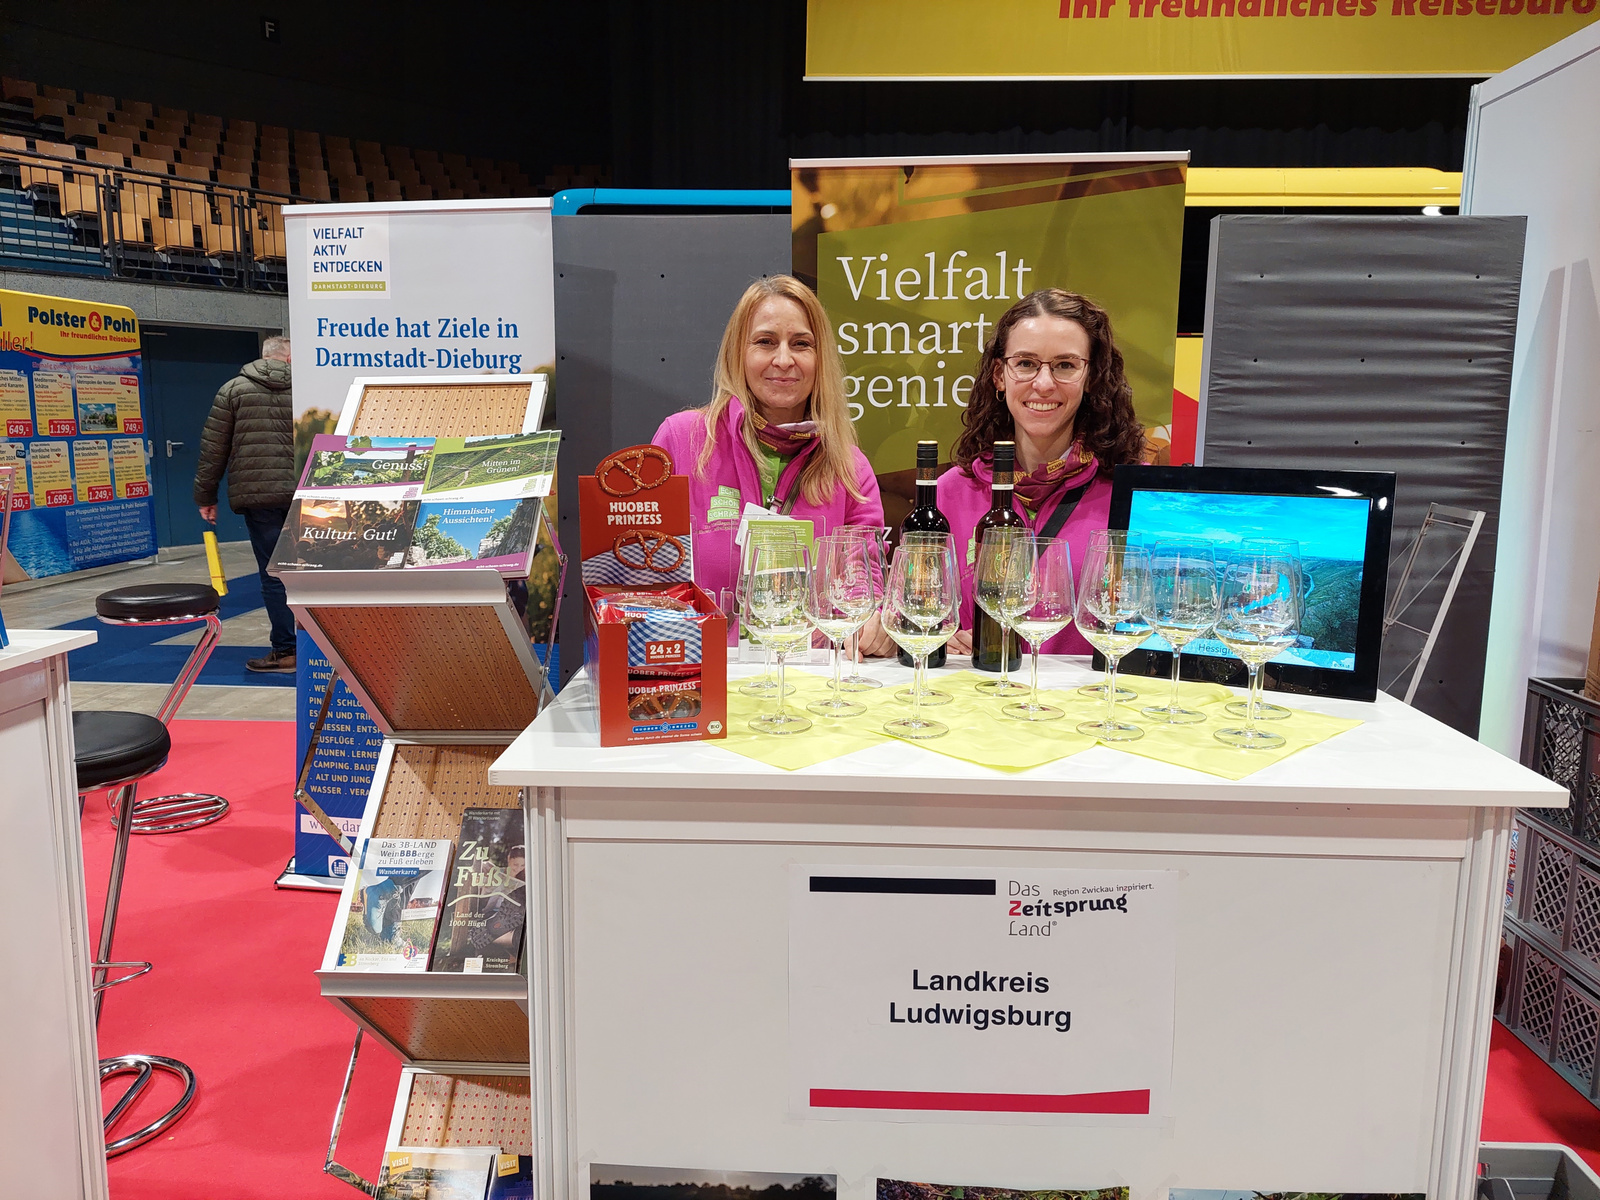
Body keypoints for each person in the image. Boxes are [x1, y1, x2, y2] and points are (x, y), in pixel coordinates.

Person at [653, 275, 895, 655]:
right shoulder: (681, 442)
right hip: (703, 681)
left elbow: (863, 589)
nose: (784, 360)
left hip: (808, 691)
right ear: (738, 353)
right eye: (765, 342)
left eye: (801, 344)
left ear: (820, 359)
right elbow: (647, 578)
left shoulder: (850, 470)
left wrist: (868, 623)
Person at [939, 289, 1147, 656]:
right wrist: (940, 634)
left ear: (1091, 377)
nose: (1044, 384)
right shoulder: (948, 492)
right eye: (1025, 363)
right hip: (973, 703)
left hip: (1088, 706)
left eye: (1065, 365)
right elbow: (912, 607)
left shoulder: (1132, 496)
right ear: (999, 375)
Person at [194, 335, 297, 673]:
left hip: (259, 496)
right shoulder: (307, 387)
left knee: (275, 574)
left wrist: (205, 497)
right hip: (305, 493)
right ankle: (325, 650)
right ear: (288, 359)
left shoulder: (233, 390)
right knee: (316, 572)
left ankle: (286, 651)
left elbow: (213, 450)